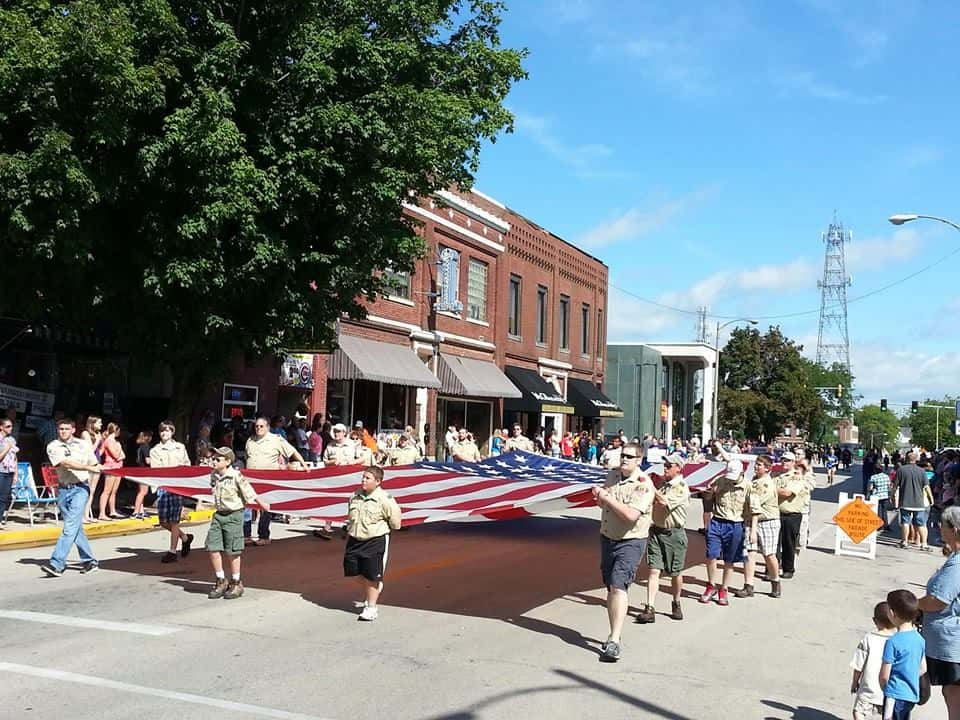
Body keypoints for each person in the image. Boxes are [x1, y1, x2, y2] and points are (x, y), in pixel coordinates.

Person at [593, 442, 654, 662]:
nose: (624, 459)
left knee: (619, 586)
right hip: (608, 537)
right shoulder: (613, 476)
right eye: (623, 455)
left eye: (629, 456)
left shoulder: (643, 485)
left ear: (639, 460)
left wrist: (607, 498)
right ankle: (613, 631)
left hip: (630, 540)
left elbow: (630, 516)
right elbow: (604, 505)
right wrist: (600, 497)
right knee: (611, 586)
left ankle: (615, 640)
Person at [206, 447, 270, 600]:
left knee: (233, 550)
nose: (214, 461)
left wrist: (262, 504)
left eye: (218, 459)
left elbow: (249, 491)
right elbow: (213, 489)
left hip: (233, 515)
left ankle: (236, 582)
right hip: (219, 515)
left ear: (227, 462)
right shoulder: (214, 475)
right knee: (212, 547)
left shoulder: (235, 475)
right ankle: (221, 579)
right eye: (213, 458)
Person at [42, 418, 100, 576]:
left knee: (69, 527)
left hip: (80, 488)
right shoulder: (53, 446)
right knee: (74, 527)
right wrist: (87, 467)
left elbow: (94, 464)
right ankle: (89, 561)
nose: (63, 432)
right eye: (61, 429)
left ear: (73, 430)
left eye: (67, 429)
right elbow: (65, 463)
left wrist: (97, 470)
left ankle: (56, 563)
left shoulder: (83, 445)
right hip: (63, 490)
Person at [636, 453, 690, 623]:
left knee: (675, 573)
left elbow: (663, 501)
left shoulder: (680, 486)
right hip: (657, 532)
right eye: (664, 465)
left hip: (674, 534)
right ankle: (650, 608)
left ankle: (676, 601)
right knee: (654, 570)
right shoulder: (664, 484)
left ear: (678, 468)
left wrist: (650, 485)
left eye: (669, 465)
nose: (665, 468)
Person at [918, 504, 960, 718]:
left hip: (953, 642)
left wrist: (915, 605)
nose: (938, 528)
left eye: (941, 525)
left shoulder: (957, 564)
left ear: (954, 529)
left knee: (954, 692)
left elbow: (938, 600)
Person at [344, 465, 402, 621]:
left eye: (367, 478)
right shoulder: (355, 495)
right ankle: (375, 588)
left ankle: (371, 607)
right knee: (354, 572)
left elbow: (395, 520)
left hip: (374, 540)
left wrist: (385, 530)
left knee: (371, 577)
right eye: (363, 477)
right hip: (355, 539)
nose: (363, 480)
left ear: (378, 481)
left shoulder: (385, 499)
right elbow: (350, 514)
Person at [245, 414, 306, 546]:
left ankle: (264, 536)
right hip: (250, 479)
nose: (258, 428)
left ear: (267, 427)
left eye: (261, 426)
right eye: (256, 426)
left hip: (267, 480)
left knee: (265, 508)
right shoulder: (250, 440)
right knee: (247, 506)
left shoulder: (276, 440)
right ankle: (246, 535)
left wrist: (304, 464)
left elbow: (292, 451)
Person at [699, 457, 749, 606]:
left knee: (730, 559)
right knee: (711, 555)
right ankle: (711, 585)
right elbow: (708, 497)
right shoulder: (720, 480)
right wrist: (709, 492)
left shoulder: (748, 486)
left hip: (736, 524)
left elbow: (753, 509)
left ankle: (724, 588)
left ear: (741, 472)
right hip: (717, 521)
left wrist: (751, 530)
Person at [735, 454, 782, 599]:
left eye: (760, 465)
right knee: (749, 553)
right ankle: (748, 585)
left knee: (769, 554)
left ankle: (775, 581)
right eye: (756, 464)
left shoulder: (767, 484)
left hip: (767, 521)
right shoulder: (754, 481)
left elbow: (755, 505)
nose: (756, 466)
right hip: (751, 521)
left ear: (768, 469)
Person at [150, 421, 195, 563]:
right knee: (163, 521)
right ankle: (185, 538)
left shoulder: (179, 447)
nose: (165, 433)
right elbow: (155, 470)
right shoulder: (155, 450)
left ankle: (172, 551)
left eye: (168, 430)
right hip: (163, 487)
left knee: (174, 520)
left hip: (177, 486)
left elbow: (186, 464)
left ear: (172, 432)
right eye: (163, 430)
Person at [880, 589, 927, 720]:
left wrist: (886, 689)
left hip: (894, 694)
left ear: (891, 613)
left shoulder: (893, 642)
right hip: (911, 694)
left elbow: (884, 676)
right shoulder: (919, 639)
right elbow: (923, 669)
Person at [850, 601, 897, 720]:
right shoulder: (898, 640)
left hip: (868, 688)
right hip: (890, 689)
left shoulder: (868, 638)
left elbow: (858, 664)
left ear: (874, 620)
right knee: (888, 715)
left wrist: (855, 682)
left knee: (858, 711)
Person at [777, 451, 810, 579]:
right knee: (774, 543)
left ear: (793, 463)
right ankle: (771, 569)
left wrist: (771, 490)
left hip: (791, 515)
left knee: (788, 543)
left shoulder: (796, 477)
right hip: (776, 512)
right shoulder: (777, 476)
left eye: (787, 460)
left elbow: (787, 492)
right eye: (783, 459)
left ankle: (788, 568)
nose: (784, 462)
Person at [894, 450, 934, 551]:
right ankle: (924, 544)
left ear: (906, 459)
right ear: (916, 460)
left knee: (905, 522)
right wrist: (931, 498)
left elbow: (895, 486)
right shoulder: (922, 471)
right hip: (919, 502)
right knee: (921, 524)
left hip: (905, 501)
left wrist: (892, 497)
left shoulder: (901, 470)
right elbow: (926, 487)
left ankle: (904, 542)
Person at [97, 422, 126, 520]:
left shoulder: (115, 442)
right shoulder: (109, 441)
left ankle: (112, 510)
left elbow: (123, 456)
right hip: (110, 467)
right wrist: (119, 448)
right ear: (116, 430)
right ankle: (102, 513)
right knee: (107, 491)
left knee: (114, 491)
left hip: (118, 467)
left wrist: (120, 451)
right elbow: (117, 455)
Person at [81, 415, 103, 523]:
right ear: (92, 423)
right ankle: (82, 515)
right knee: (87, 490)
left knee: (92, 491)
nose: (101, 425)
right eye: (99, 422)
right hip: (89, 464)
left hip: (97, 462)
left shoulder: (97, 434)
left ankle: (87, 515)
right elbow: (90, 450)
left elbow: (99, 452)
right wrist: (98, 441)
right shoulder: (85, 434)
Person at [0, 416, 19, 527]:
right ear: (1, 427)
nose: (11, 428)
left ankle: (0, 517)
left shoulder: (11, 439)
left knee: (4, 497)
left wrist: (16, 473)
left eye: (11, 426)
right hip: (1, 470)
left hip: (9, 471)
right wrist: (7, 448)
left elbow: (14, 457)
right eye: (8, 426)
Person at [131, 430, 153, 520]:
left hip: (139, 470)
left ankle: (141, 510)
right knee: (143, 492)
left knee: (140, 491)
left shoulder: (140, 447)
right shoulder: (146, 446)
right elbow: (148, 460)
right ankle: (136, 511)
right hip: (145, 471)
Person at [869, 465, 894, 531]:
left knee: (878, 511)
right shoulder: (886, 476)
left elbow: (870, 487)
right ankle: (886, 525)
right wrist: (890, 495)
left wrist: (869, 493)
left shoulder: (873, 477)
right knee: (884, 511)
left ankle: (879, 526)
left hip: (877, 496)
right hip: (885, 495)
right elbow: (889, 486)